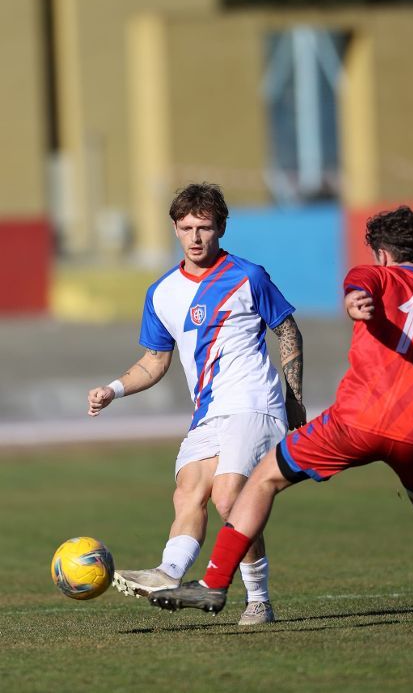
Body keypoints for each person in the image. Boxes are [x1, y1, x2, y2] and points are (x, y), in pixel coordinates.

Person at [149, 205, 413, 625]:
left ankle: (214, 582)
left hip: (356, 422)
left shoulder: (372, 275)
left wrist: (354, 303)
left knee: (262, 479)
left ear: (380, 253)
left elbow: (358, 287)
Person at [87, 182, 306, 626]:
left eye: (204, 227)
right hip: (208, 412)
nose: (195, 237)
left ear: (221, 228)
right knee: (188, 489)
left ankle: (258, 600)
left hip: (254, 402)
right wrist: (113, 389)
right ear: (175, 229)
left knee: (229, 496)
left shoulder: (248, 276)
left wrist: (295, 401)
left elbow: (288, 331)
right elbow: (154, 361)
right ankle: (168, 572)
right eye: (186, 228)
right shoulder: (161, 292)